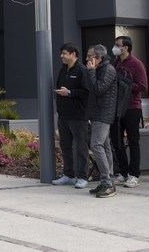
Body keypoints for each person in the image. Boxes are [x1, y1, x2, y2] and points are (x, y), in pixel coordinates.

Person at [110, 35, 148, 188]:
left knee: (133, 141)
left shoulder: (136, 64)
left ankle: (134, 174)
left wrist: (126, 85)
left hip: (132, 107)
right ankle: (123, 172)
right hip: (116, 108)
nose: (115, 47)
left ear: (125, 47)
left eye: (117, 45)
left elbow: (143, 86)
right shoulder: (115, 63)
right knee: (117, 141)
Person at [52, 43, 90, 189]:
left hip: (78, 116)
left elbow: (86, 92)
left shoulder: (82, 70)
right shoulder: (63, 70)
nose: (61, 56)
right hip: (63, 115)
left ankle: (82, 177)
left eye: (64, 53)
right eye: (61, 53)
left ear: (73, 54)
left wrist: (69, 92)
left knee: (81, 147)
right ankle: (68, 175)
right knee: (65, 146)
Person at [85, 44, 118, 198]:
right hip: (97, 112)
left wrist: (91, 72)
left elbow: (99, 89)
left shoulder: (108, 69)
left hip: (103, 113)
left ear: (98, 58)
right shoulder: (99, 69)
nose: (87, 59)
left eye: (89, 56)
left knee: (96, 145)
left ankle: (107, 182)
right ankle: (107, 180)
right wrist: (91, 72)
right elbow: (91, 88)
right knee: (104, 146)